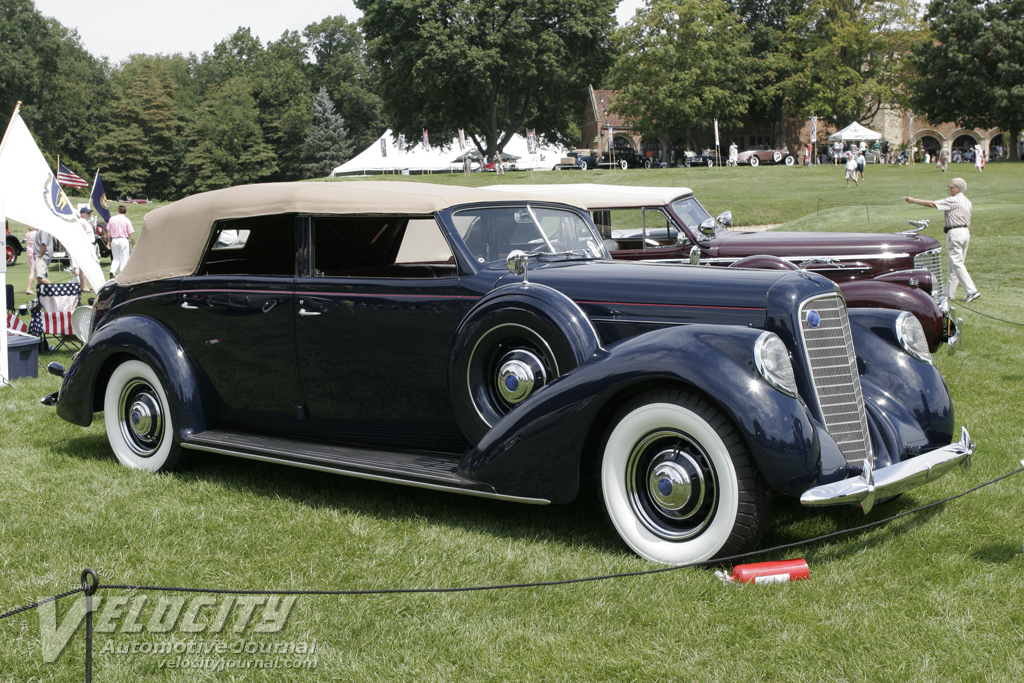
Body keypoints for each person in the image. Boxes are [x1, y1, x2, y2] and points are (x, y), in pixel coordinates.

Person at [903, 177, 979, 302]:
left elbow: (932, 204)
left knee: (957, 263)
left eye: (952, 187)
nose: (949, 189)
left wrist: (913, 200)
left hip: (955, 232)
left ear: (958, 188)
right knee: (954, 264)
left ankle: (972, 291)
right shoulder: (967, 202)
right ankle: (948, 294)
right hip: (965, 232)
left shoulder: (954, 200)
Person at [106, 204, 135, 278]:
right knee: (124, 258)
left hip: (114, 240)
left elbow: (108, 231)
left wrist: (108, 242)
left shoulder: (112, 219)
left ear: (118, 211)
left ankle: (112, 271)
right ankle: (122, 274)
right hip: (123, 239)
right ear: (125, 211)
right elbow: (130, 234)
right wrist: (133, 244)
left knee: (116, 258)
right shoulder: (126, 220)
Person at [74, 206, 95, 292]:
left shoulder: (84, 221)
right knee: (85, 267)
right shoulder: (82, 222)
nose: (89, 215)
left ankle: (83, 286)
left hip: (87, 246)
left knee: (83, 268)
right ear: (83, 214)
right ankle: (84, 286)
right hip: (86, 246)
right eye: (88, 213)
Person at [24, 226, 37, 294]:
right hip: (34, 251)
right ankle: (29, 288)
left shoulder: (28, 233)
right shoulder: (35, 233)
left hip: (29, 251)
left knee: (32, 269)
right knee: (33, 271)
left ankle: (29, 288)